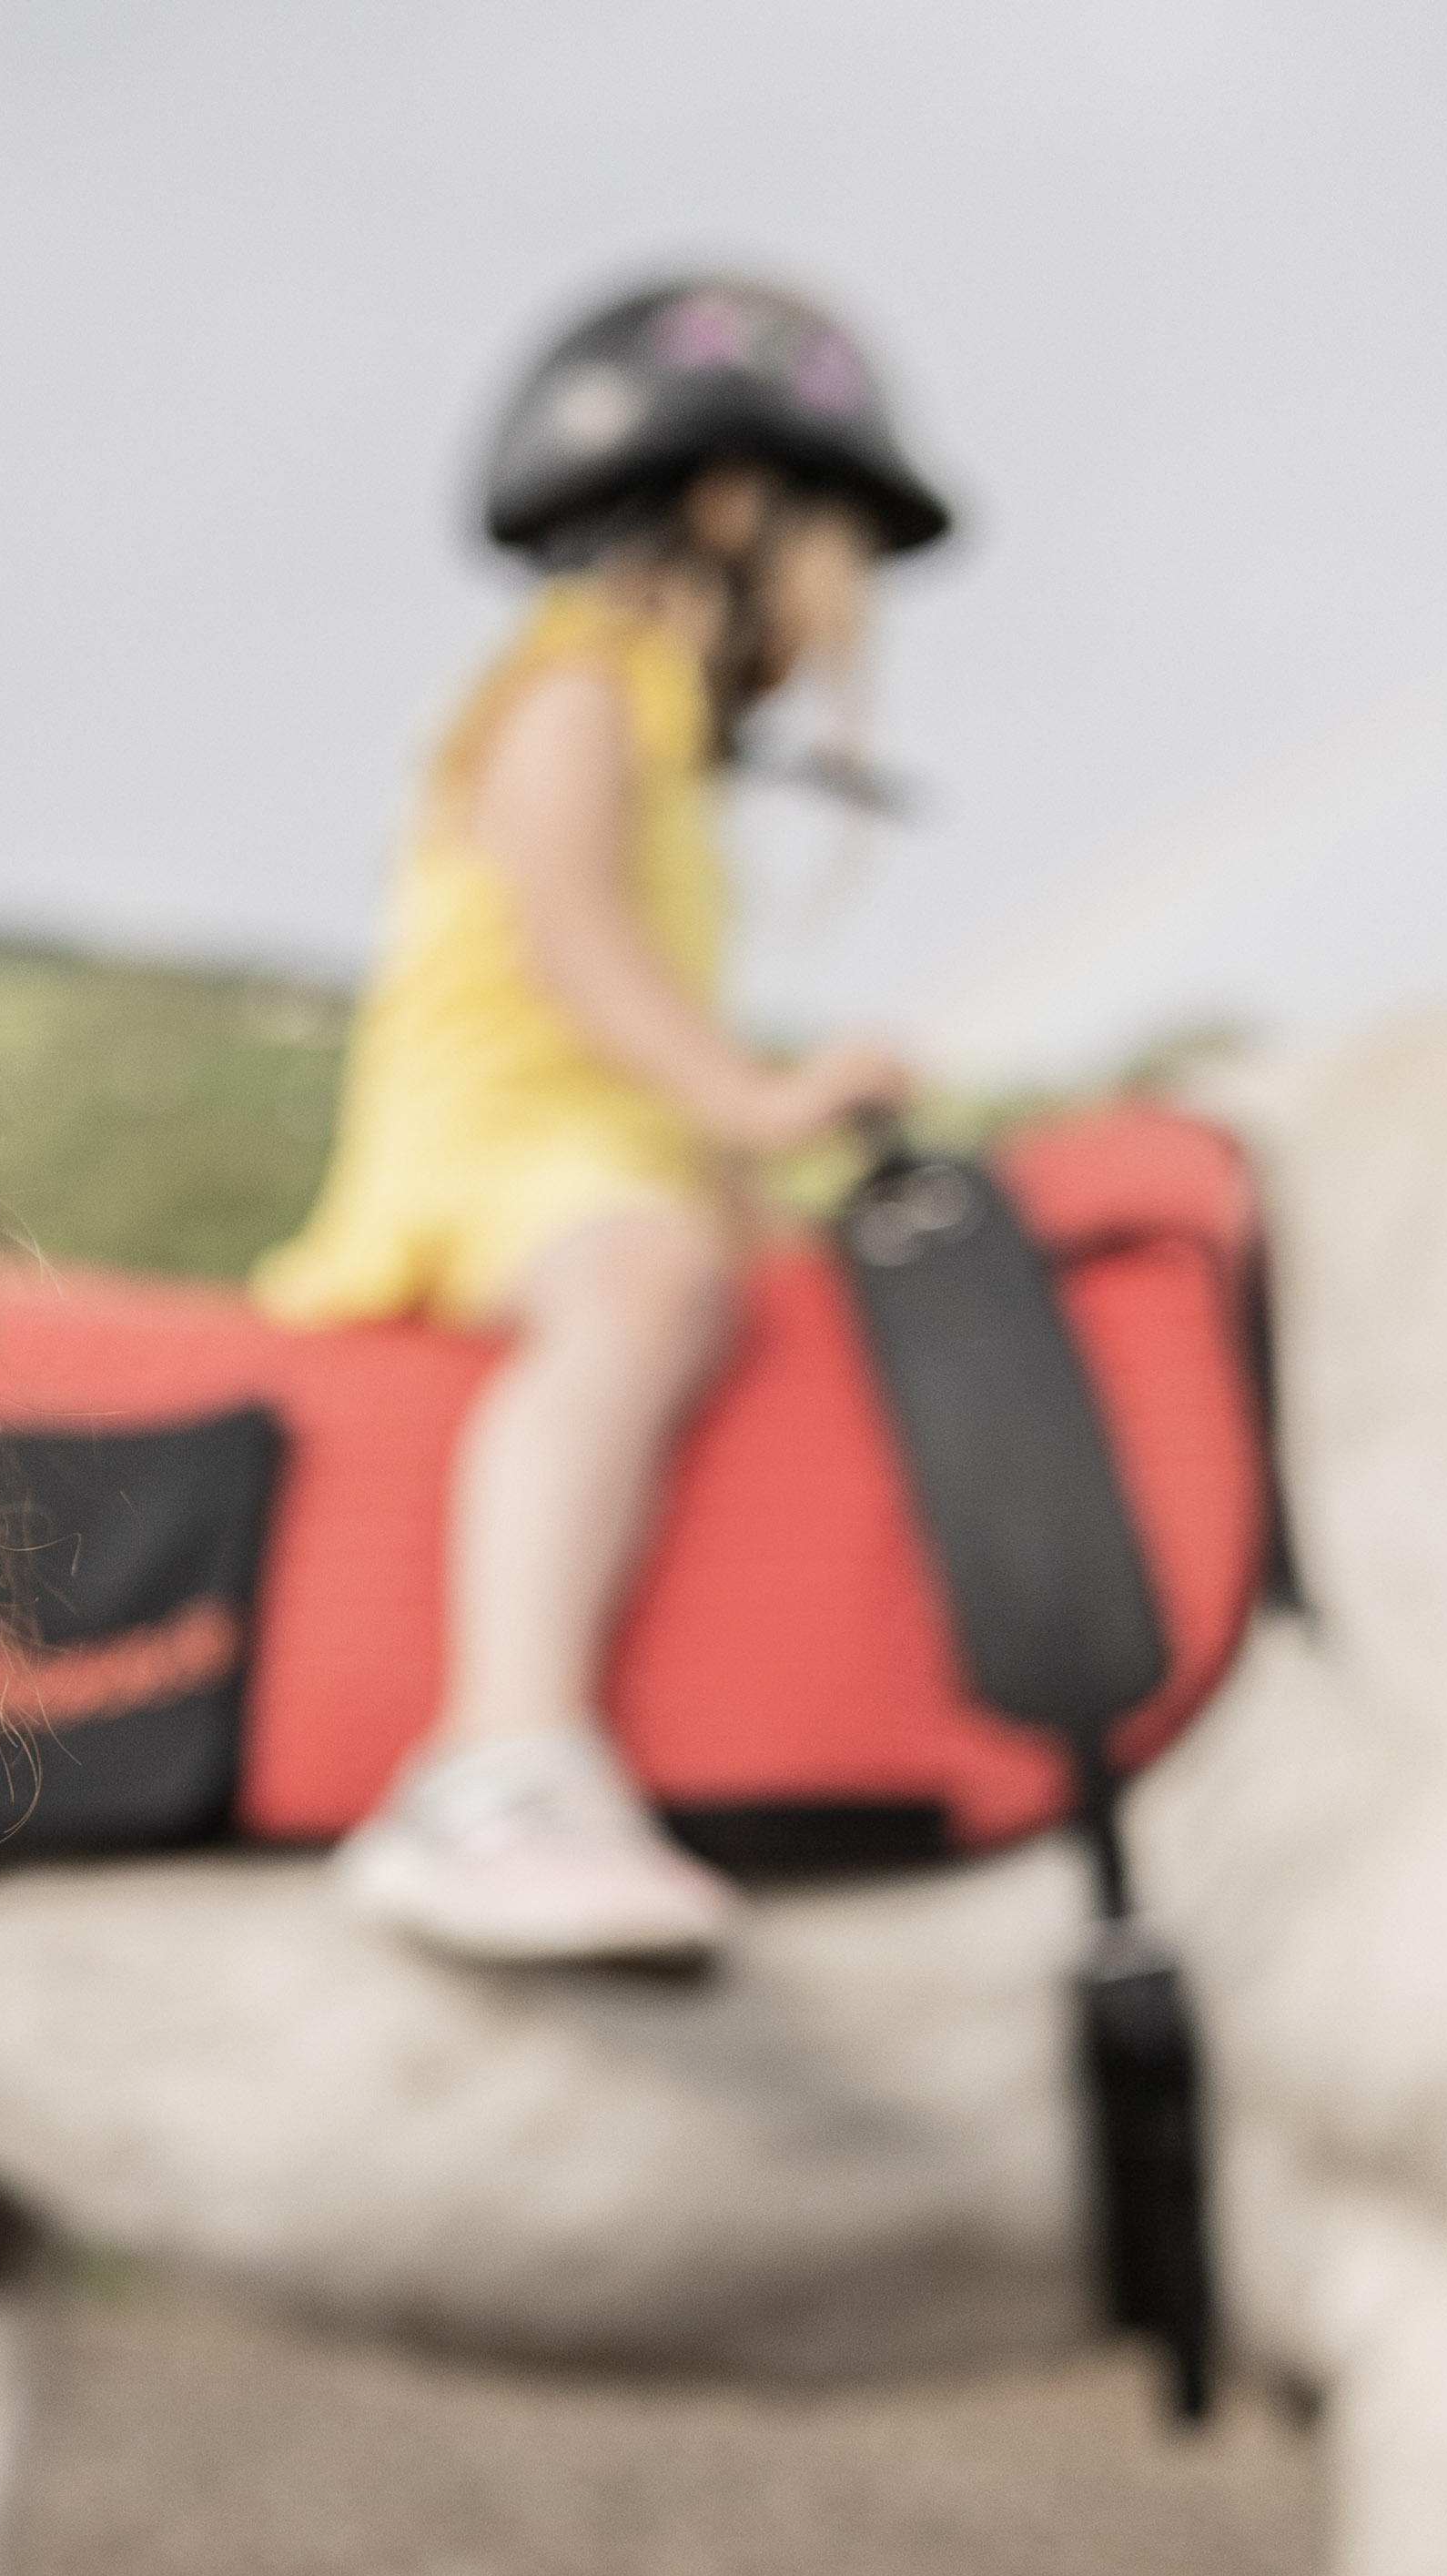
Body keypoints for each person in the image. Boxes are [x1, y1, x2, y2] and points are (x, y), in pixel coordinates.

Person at [257, 273, 959, 1968]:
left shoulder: (649, 722)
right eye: (831, 549)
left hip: (607, 1142)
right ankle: (495, 1770)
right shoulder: (576, 682)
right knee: (640, 1291)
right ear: (728, 501)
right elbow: (572, 939)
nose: (841, 608)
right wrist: (760, 1098)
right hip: (500, 1144)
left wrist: (733, 1155)